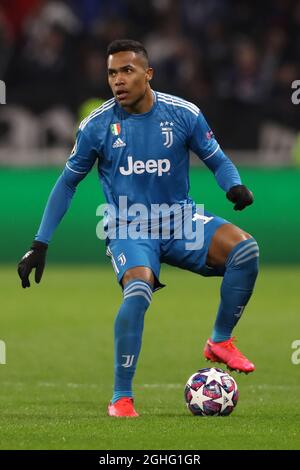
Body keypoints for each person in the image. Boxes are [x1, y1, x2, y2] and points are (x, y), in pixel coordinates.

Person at [18, 39, 259, 418]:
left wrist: (234, 185)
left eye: (127, 71)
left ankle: (220, 341)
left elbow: (218, 160)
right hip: (129, 226)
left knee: (245, 250)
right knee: (138, 288)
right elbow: (67, 184)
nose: (118, 80)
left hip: (180, 220)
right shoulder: (97, 126)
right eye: (112, 72)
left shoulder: (183, 114)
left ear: (148, 74)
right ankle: (121, 397)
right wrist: (40, 243)